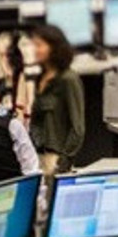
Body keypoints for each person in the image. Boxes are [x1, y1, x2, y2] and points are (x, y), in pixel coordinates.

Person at [26, 24, 85, 174]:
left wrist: (63, 162)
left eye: (39, 45)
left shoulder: (68, 79)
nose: (35, 50)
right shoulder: (41, 77)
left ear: (54, 47)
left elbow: (77, 128)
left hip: (55, 159)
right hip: (38, 156)